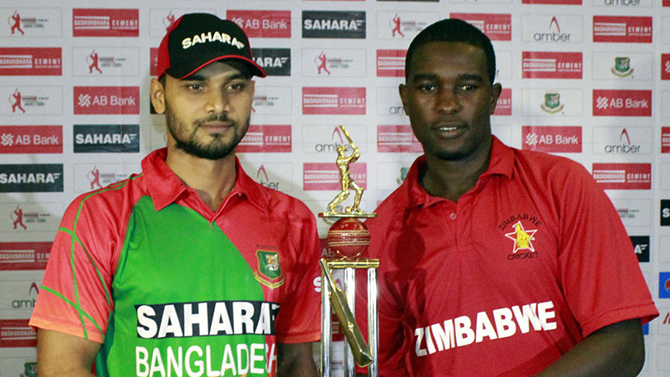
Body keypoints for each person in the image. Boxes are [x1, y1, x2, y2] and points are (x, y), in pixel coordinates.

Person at [359, 18, 658, 377]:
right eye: (427, 87)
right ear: (405, 99)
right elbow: (381, 367)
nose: (447, 104)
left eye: (467, 86)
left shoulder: (560, 185)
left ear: (493, 97)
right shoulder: (379, 231)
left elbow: (623, 345)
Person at [30, 13, 321, 377]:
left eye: (235, 86)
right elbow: (62, 366)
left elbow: (297, 362)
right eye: (195, 86)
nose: (218, 104)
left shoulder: (292, 220)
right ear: (159, 96)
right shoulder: (100, 216)